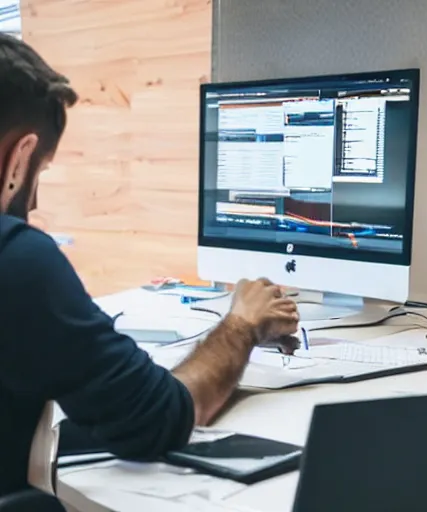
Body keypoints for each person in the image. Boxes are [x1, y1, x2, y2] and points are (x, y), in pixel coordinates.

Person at [0, 34, 299, 496]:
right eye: (40, 170)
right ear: (19, 159)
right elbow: (160, 417)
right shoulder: (17, 261)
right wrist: (243, 323)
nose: (34, 198)